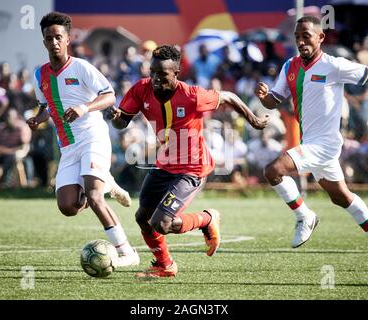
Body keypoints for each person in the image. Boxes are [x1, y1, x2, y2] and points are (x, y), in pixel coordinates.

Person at [108, 45, 269, 278]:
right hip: (164, 164)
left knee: (161, 223)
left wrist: (253, 120)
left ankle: (206, 219)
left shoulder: (193, 95)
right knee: (142, 217)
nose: (154, 78)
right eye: (152, 72)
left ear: (176, 73)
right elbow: (122, 122)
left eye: (162, 74)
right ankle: (165, 265)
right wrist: (116, 119)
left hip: (192, 169)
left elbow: (229, 96)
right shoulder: (141, 89)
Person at [254, 16, 368, 271]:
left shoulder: (334, 65)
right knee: (341, 197)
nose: (300, 41)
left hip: (326, 143)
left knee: (273, 170)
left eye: (306, 35)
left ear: (320, 37)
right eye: (297, 36)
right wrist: (264, 98)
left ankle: (304, 216)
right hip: (313, 143)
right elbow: (274, 100)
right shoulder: (290, 66)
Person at [26, 12, 138, 267]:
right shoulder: (39, 75)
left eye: (58, 37)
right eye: (48, 38)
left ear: (67, 40)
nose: (53, 42)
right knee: (68, 207)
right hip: (68, 147)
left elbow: (109, 96)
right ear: (44, 42)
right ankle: (105, 181)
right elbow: (46, 106)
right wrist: (38, 118)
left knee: (94, 197)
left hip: (93, 138)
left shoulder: (82, 67)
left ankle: (127, 252)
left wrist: (85, 107)